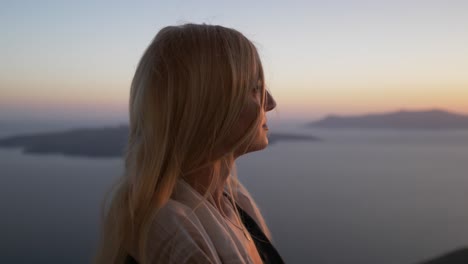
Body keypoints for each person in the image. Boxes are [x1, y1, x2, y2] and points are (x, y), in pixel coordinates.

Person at [94, 23, 284, 264]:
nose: (270, 102)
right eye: (255, 89)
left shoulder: (234, 205)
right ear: (208, 106)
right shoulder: (168, 237)